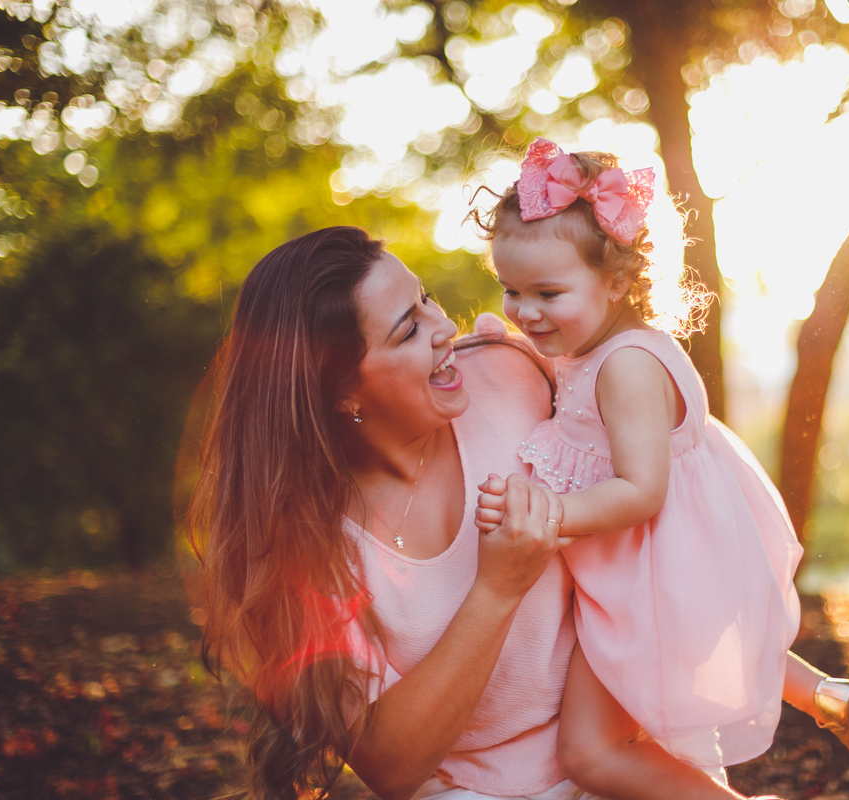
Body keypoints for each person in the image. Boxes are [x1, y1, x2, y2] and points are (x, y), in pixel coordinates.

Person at [472, 139, 849, 799]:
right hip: (671, 558)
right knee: (716, 633)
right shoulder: (596, 343)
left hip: (647, 569)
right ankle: (827, 695)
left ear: (617, 280)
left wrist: (548, 513)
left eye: (546, 292)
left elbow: (640, 490)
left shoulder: (626, 367)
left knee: (592, 751)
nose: (525, 312)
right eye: (510, 290)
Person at [189, 227, 600, 800]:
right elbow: (389, 764)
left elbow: (661, 468)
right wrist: (497, 589)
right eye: (408, 330)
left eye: (426, 298)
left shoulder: (515, 376)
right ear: (340, 391)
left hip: (615, 748)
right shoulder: (304, 548)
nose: (444, 329)